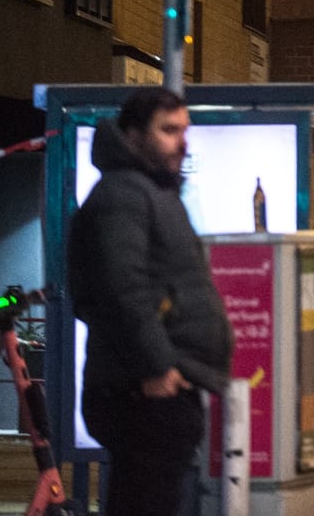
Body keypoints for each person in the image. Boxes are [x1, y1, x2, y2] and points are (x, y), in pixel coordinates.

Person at [67, 88, 232, 516]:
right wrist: (157, 367)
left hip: (160, 387)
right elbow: (123, 290)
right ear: (134, 134)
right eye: (168, 130)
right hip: (143, 391)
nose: (182, 141)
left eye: (184, 130)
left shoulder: (153, 194)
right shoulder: (124, 195)